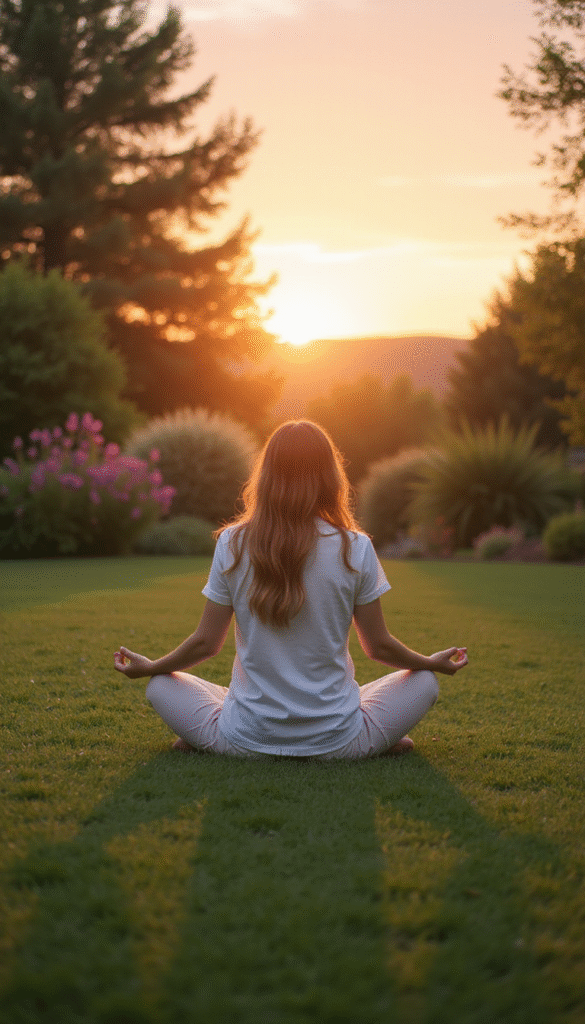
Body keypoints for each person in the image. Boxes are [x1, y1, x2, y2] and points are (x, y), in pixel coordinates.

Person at [114, 420, 467, 759]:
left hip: (248, 738)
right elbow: (378, 646)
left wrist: (152, 667)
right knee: (424, 681)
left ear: (266, 475)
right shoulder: (354, 546)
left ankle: (211, 737)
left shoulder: (232, 542)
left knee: (160, 685)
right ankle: (369, 740)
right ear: (329, 476)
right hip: (336, 740)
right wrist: (429, 662)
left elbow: (206, 643)